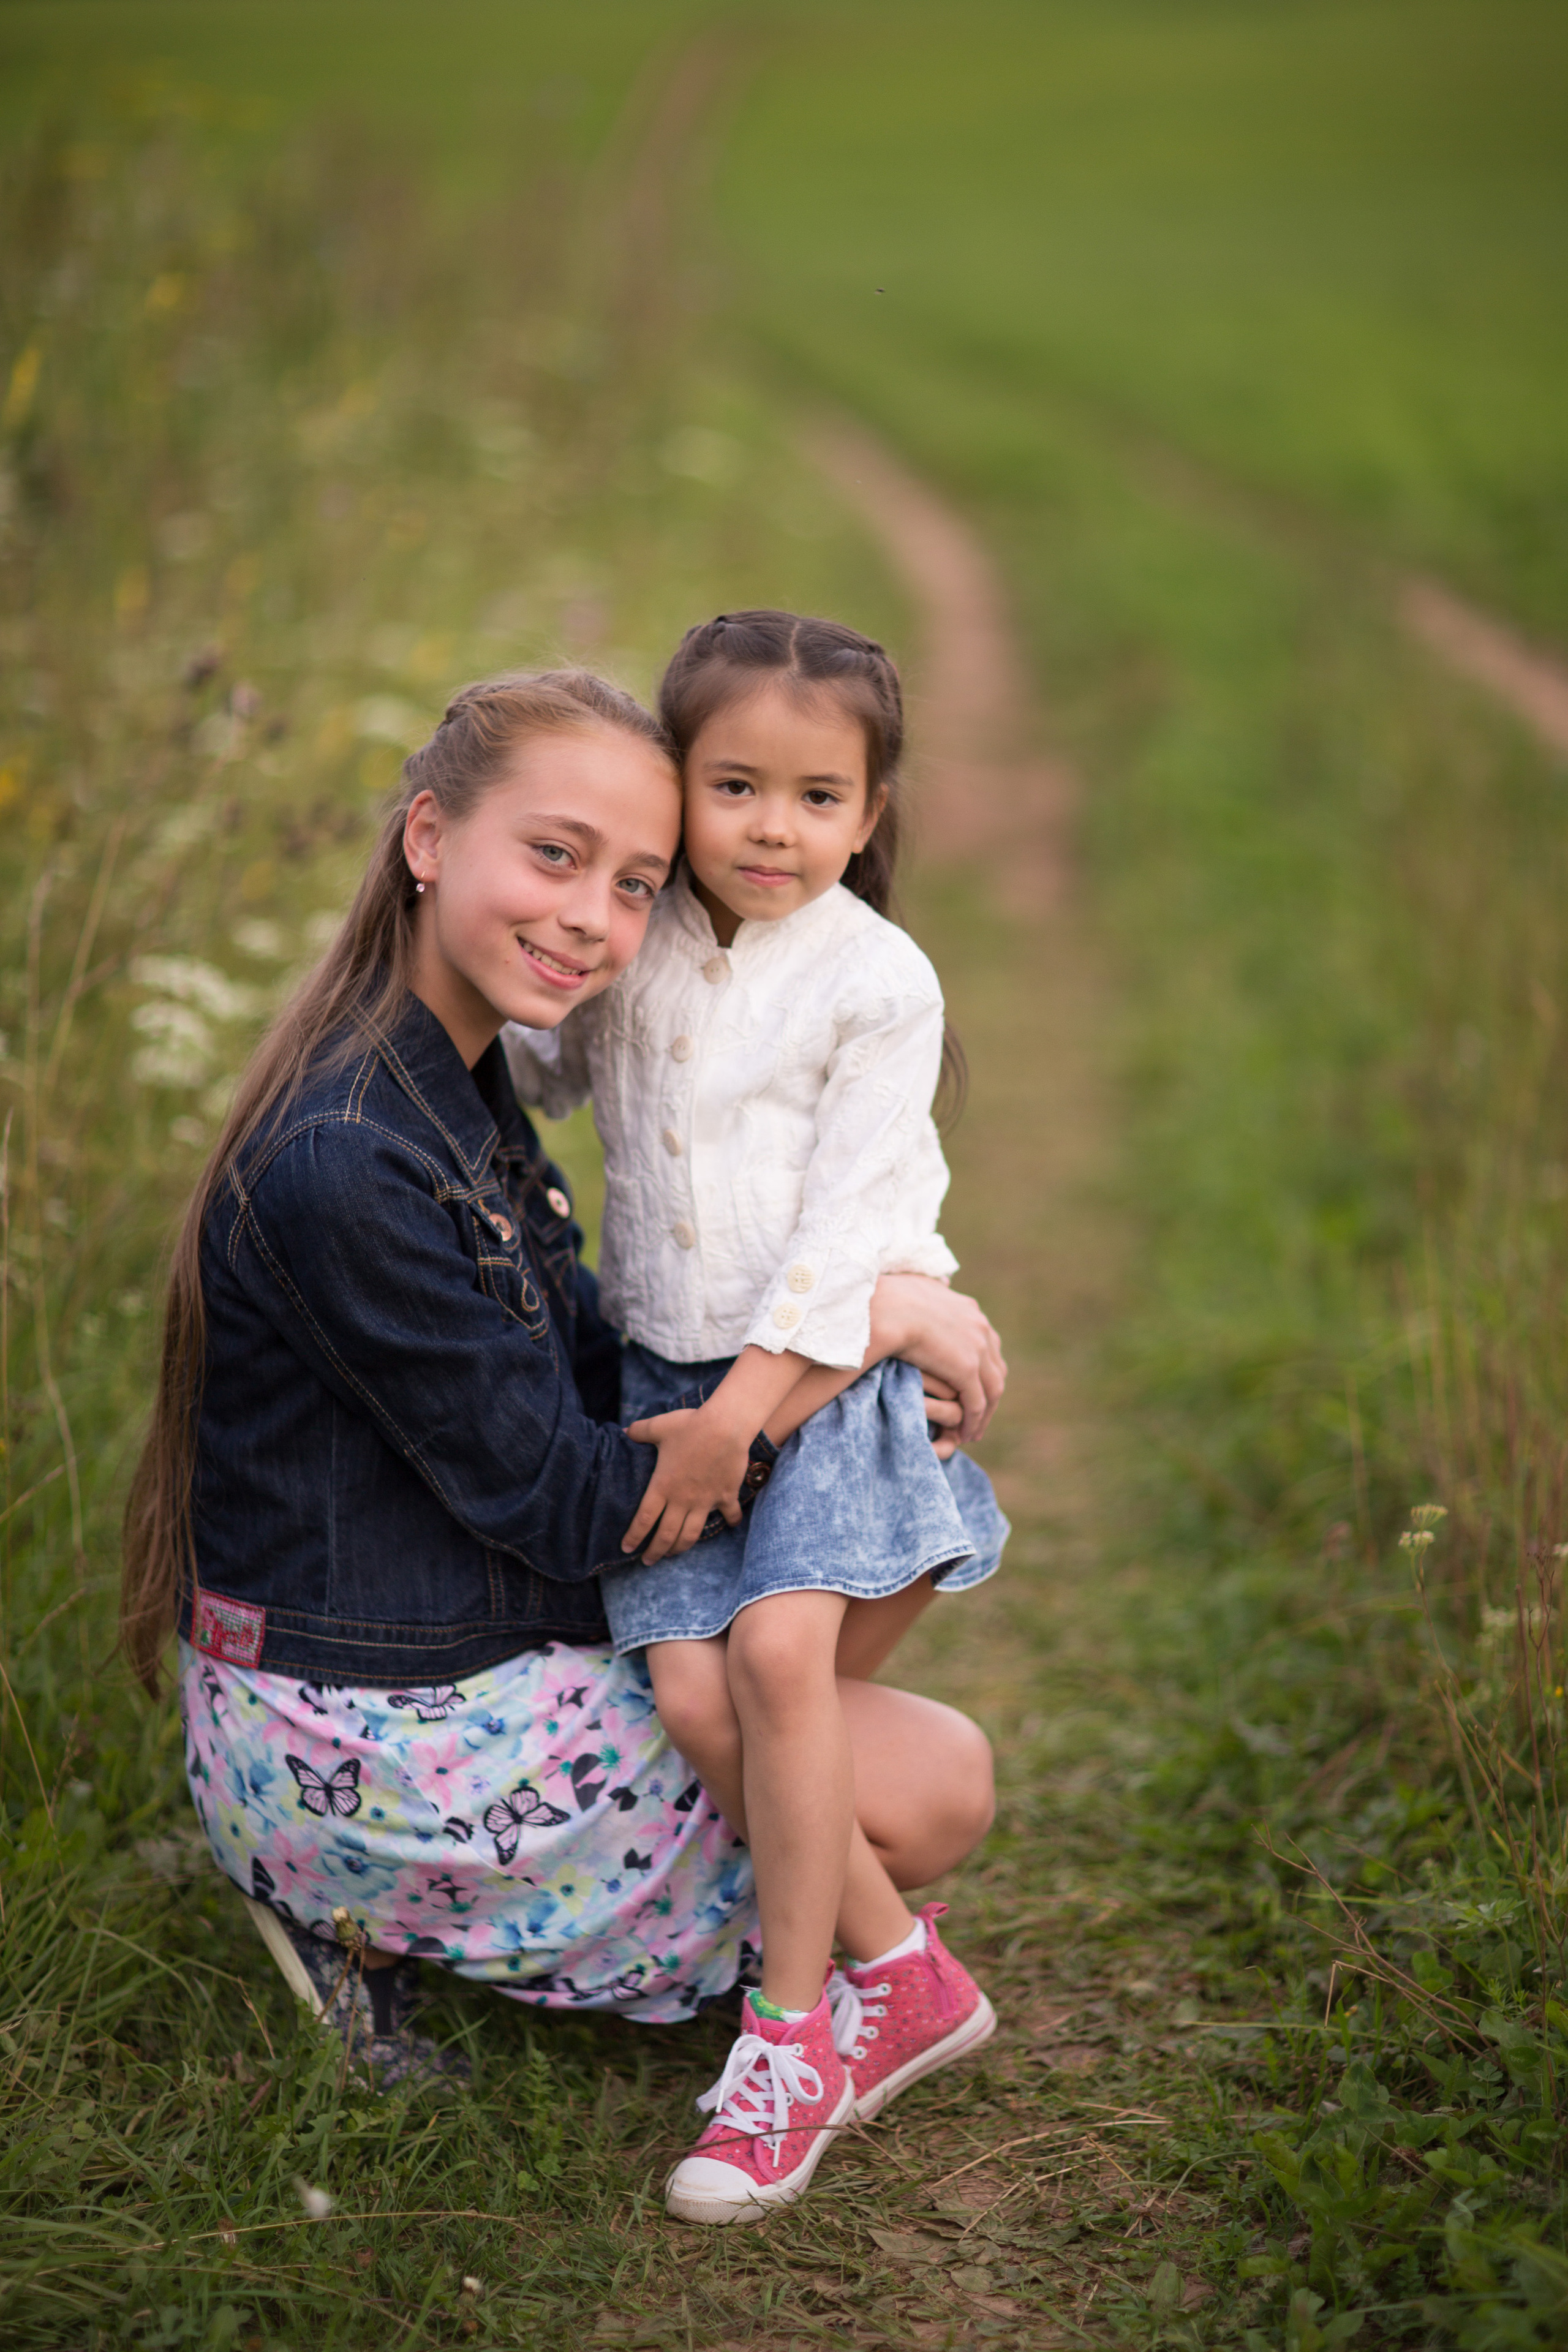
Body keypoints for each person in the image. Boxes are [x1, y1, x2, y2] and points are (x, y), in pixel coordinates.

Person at [119, 668, 1003, 2119]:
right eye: (553, 854)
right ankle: (367, 1907)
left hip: (419, 1656)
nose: (593, 918)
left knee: (801, 1719)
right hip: (365, 1731)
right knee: (926, 1786)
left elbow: (584, 1363)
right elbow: (583, 1501)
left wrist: (833, 1350)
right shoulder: (347, 1156)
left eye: (638, 883)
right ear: (426, 839)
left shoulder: (453, 1081)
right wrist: (862, 1337)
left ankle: (535, 1909)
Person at [503, 614, 1008, 2225]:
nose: (773, 828)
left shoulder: (877, 981)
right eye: (735, 786)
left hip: (833, 1376)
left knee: (782, 1661)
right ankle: (904, 1972)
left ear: (869, 814)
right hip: (667, 1383)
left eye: (816, 795)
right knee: (700, 1701)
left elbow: (852, 1236)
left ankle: (791, 2041)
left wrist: (740, 1420)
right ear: (680, 785)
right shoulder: (639, 940)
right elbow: (549, 1069)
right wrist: (468, 956)